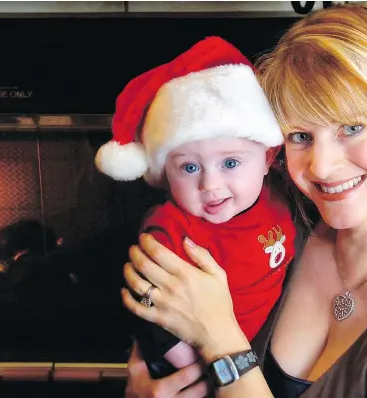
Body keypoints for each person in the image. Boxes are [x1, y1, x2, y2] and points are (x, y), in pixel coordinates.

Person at [121, 4, 367, 397]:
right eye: (300, 136)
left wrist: (221, 341)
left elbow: (214, 336)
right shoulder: (281, 229)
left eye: (352, 127)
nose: (322, 166)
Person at [95, 37, 296, 379]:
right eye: (189, 167)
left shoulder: (282, 197)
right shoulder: (170, 231)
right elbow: (148, 312)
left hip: (258, 355)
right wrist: (199, 369)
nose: (210, 185)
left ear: (268, 158)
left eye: (230, 163)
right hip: (195, 367)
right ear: (165, 174)